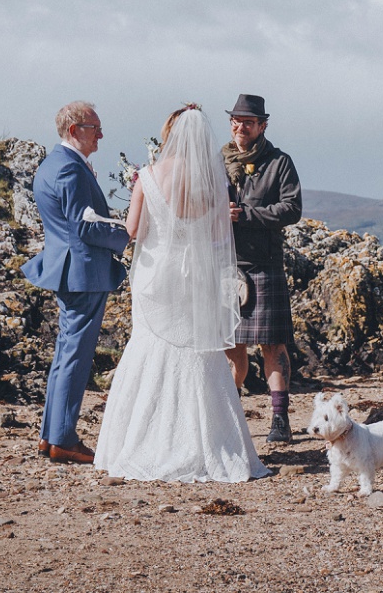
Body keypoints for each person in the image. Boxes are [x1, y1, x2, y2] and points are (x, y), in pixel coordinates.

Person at [94, 105, 269, 482]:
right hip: (195, 279)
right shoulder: (214, 182)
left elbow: (135, 231)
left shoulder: (148, 176)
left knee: (148, 348)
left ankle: (138, 440)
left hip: (155, 276)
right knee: (198, 352)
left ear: (168, 136)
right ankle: (207, 443)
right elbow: (222, 238)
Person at [23, 101, 130, 464]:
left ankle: (51, 436)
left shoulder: (51, 166)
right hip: (82, 273)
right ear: (74, 131)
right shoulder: (70, 169)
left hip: (67, 270)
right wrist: (126, 235)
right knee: (75, 356)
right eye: (94, 127)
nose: (100, 134)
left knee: (65, 354)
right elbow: (83, 227)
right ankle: (64, 438)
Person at [221, 93, 303, 443]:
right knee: (228, 345)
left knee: (273, 345)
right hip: (225, 265)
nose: (241, 127)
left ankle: (280, 419)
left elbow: (292, 209)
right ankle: (226, 415)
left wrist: (248, 216)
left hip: (263, 263)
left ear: (262, 126)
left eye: (249, 123)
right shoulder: (218, 161)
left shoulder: (279, 162)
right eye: (236, 121)